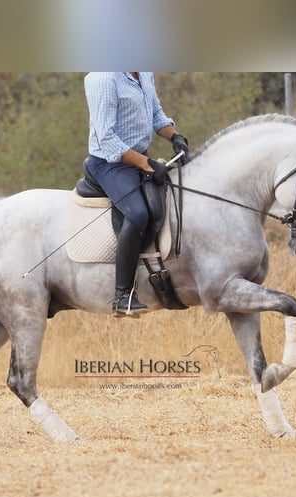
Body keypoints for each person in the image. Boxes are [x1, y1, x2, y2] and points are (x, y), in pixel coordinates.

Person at [84, 72, 189, 317]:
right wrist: (146, 163)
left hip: (137, 159)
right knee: (138, 213)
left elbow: (156, 115)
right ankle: (123, 295)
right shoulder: (103, 78)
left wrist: (175, 136)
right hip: (110, 164)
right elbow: (106, 139)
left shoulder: (144, 73)